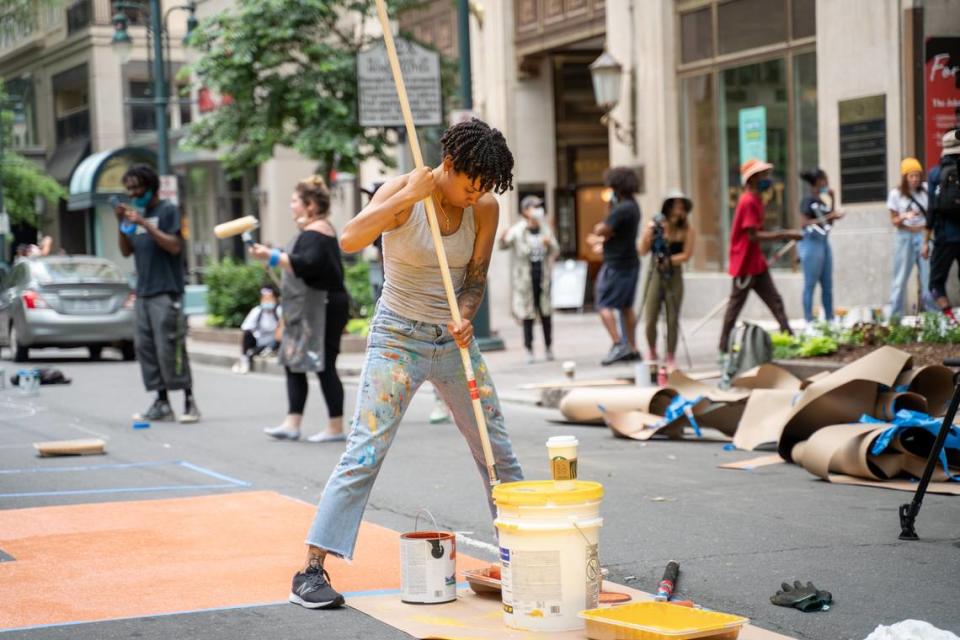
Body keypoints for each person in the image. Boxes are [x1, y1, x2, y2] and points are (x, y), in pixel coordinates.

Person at [284, 118, 523, 610]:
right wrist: (404, 197)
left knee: (496, 450)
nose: (473, 195)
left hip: (452, 342)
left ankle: (525, 555)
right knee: (365, 450)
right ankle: (310, 571)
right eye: (469, 183)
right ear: (449, 165)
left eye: (483, 188)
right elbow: (349, 239)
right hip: (397, 338)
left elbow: (475, 276)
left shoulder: (485, 208)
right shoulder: (403, 190)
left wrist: (468, 314)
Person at [249, 176, 350, 444]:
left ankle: (335, 427)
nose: (291, 206)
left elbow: (306, 264)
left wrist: (270, 256)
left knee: (324, 365)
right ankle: (292, 423)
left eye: (295, 201)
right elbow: (299, 261)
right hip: (308, 307)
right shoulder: (313, 231)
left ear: (311, 205)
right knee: (293, 362)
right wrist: (271, 255)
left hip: (323, 306)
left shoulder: (318, 232)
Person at [115, 165, 200, 423]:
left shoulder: (168, 211)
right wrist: (122, 224)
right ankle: (161, 401)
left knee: (170, 347)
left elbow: (174, 246)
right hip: (143, 292)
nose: (133, 193)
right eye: (128, 189)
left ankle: (188, 402)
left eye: (136, 187)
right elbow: (126, 251)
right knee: (146, 348)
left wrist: (144, 224)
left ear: (150, 186)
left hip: (166, 291)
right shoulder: (136, 214)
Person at [718, 159, 802, 355]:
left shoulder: (756, 199)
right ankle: (723, 345)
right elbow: (753, 235)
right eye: (763, 175)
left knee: (775, 301)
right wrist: (786, 234)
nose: (767, 179)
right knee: (735, 306)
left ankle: (789, 336)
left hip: (756, 263)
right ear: (753, 178)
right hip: (745, 263)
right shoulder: (747, 201)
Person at [589, 167, 641, 366]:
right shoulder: (633, 206)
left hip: (616, 265)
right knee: (626, 307)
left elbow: (603, 229)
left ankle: (618, 343)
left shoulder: (621, 208)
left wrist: (606, 214)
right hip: (629, 262)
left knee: (603, 304)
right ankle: (633, 348)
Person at [638, 189, 696, 371]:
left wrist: (669, 261)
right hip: (655, 272)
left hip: (674, 274)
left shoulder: (687, 229)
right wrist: (649, 233)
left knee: (672, 317)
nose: (678, 210)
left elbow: (687, 255)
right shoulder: (658, 225)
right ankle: (652, 350)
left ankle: (670, 354)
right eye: (674, 205)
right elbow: (642, 250)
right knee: (650, 315)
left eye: (681, 206)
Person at [498, 194, 559, 363]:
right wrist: (502, 237)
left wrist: (549, 244)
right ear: (525, 211)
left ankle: (548, 347)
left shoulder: (545, 228)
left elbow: (556, 250)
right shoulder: (518, 230)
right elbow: (503, 245)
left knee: (546, 313)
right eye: (534, 207)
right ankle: (529, 349)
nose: (538, 210)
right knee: (527, 315)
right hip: (525, 277)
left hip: (543, 275)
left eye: (539, 206)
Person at [887, 158, 933, 317]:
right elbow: (893, 220)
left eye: (917, 175)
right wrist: (904, 215)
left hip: (923, 236)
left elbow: (932, 214)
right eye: (911, 176)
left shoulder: (927, 190)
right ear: (904, 177)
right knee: (899, 279)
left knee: (928, 279)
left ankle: (932, 317)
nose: (915, 179)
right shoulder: (896, 194)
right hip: (904, 236)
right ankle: (894, 318)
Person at [798, 168, 844, 324]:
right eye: (825, 180)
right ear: (818, 181)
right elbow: (804, 223)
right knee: (810, 284)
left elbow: (828, 222)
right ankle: (808, 320)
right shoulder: (808, 201)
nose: (827, 183)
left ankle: (830, 318)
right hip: (811, 243)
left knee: (827, 284)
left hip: (824, 243)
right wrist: (830, 215)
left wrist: (832, 199)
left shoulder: (821, 202)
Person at [923, 129, 960, 321]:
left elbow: (931, 210)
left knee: (936, 283)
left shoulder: (936, 173)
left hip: (945, 236)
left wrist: (924, 241)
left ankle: (951, 320)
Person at [233, 286, 282, 375]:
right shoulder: (257, 311)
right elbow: (246, 327)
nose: (267, 301)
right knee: (247, 334)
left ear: (275, 298)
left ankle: (268, 351)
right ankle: (244, 359)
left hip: (275, 341)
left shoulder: (279, 311)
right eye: (264, 298)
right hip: (260, 340)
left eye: (269, 298)